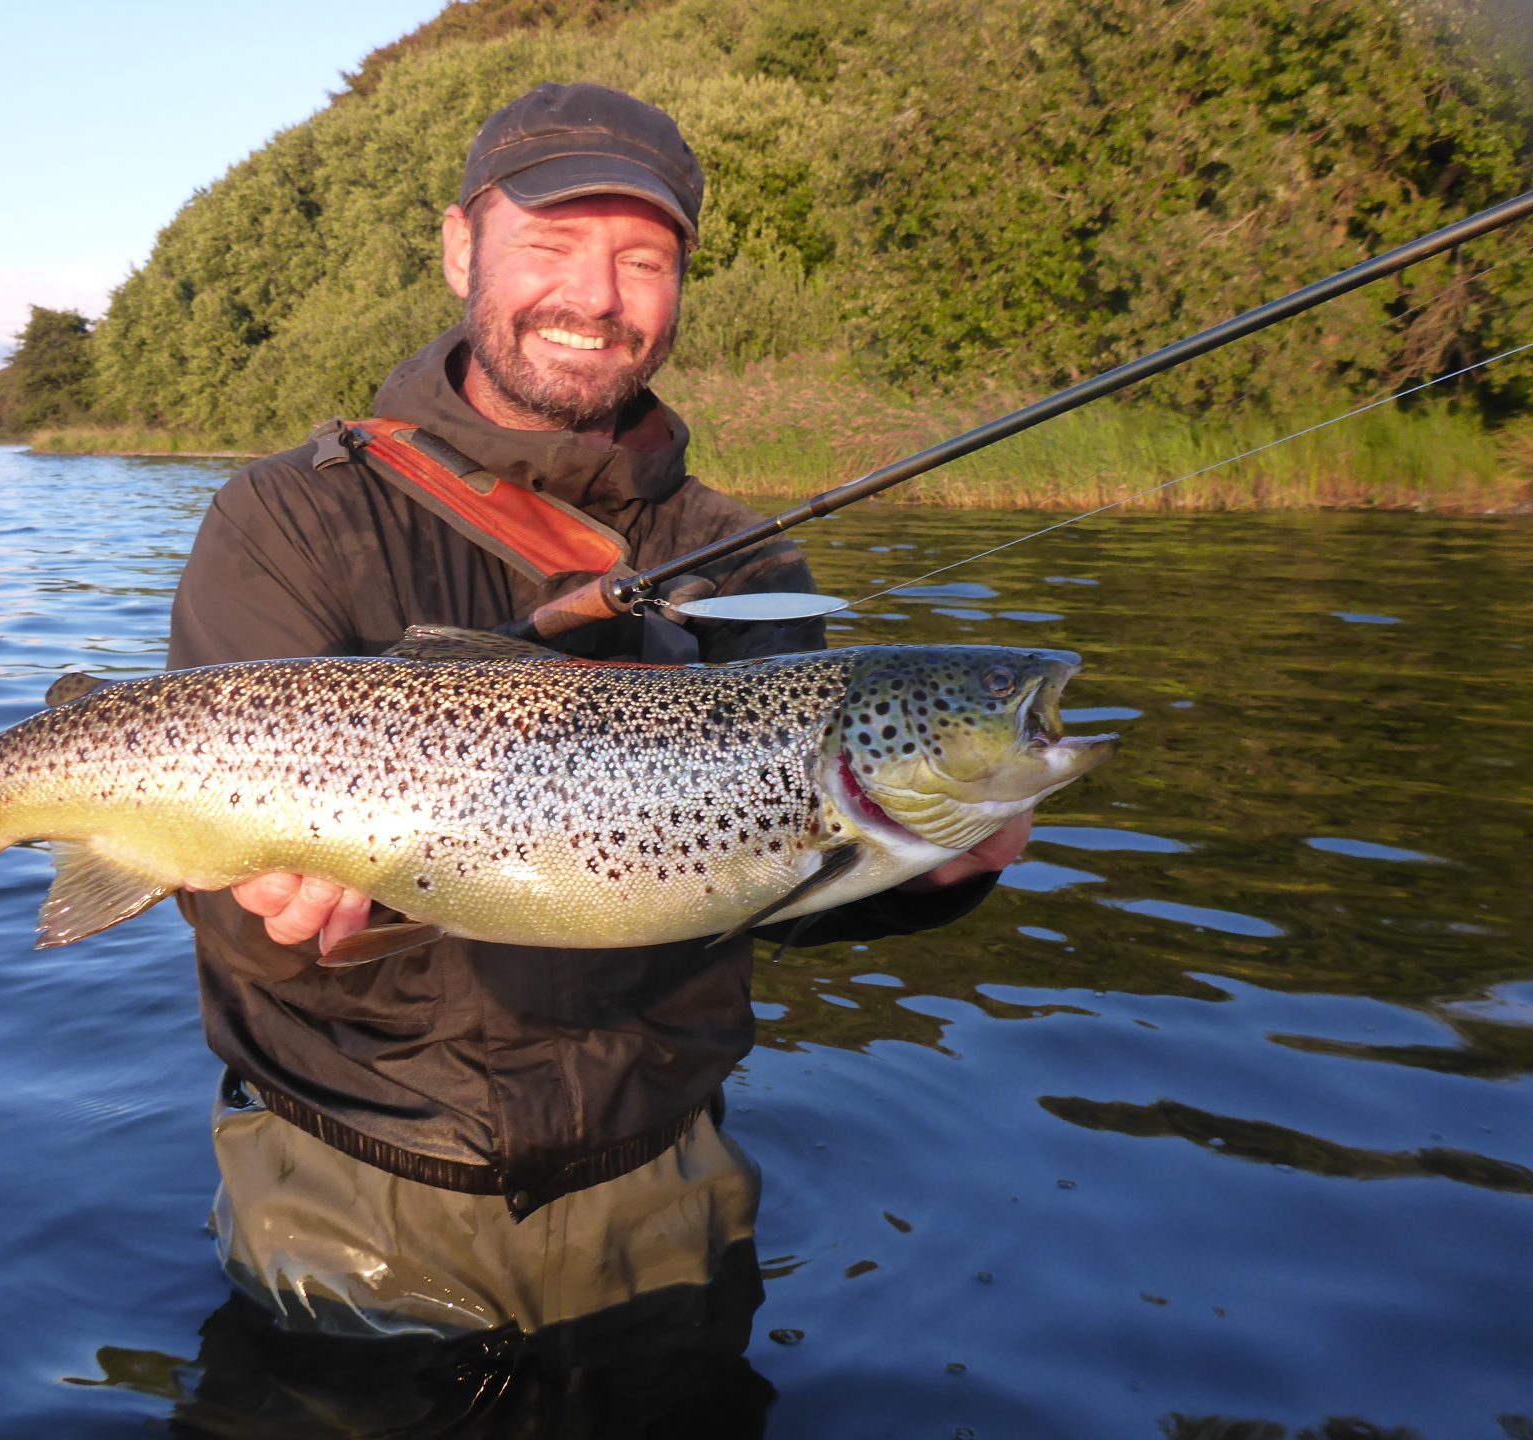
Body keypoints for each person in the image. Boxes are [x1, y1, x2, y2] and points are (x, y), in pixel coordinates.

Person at [166, 82, 1030, 1347]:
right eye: (553, 243)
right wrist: (267, 919)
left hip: (665, 1191)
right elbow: (215, 892)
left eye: (642, 258)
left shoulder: (744, 559)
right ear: (463, 246)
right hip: (355, 1195)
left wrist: (927, 872)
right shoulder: (289, 519)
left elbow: (766, 888)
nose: (597, 295)